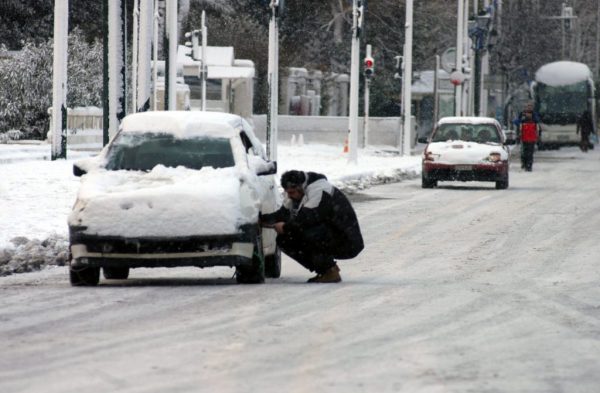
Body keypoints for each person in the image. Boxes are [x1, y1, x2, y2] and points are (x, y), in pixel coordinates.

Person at [260, 170, 364, 283]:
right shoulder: (298, 192)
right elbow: (283, 214)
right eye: (287, 193)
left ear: (300, 187)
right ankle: (326, 270)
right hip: (329, 234)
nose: (289, 196)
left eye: (292, 192)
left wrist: (285, 227)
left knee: (300, 232)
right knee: (284, 239)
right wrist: (261, 220)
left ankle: (329, 271)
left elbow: (306, 220)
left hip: (346, 241)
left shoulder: (319, 190)